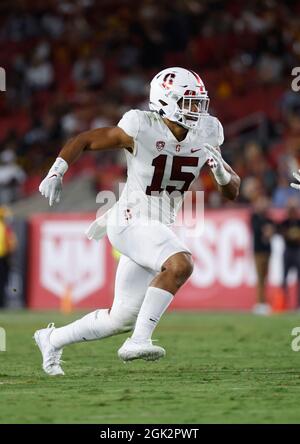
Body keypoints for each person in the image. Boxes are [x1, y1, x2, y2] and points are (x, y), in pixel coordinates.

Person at [35, 67, 241, 376]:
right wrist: (56, 170)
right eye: (189, 102)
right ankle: (139, 341)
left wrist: (223, 175)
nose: (197, 110)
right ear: (166, 102)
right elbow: (86, 139)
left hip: (157, 225)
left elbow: (232, 192)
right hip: (130, 219)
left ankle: (52, 338)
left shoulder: (208, 131)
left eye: (199, 102)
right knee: (180, 264)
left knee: (120, 318)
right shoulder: (141, 125)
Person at [250, 197, 275, 315]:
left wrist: (269, 231)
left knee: (264, 278)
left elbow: (273, 230)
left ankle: (263, 302)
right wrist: (266, 230)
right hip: (258, 252)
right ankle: (260, 303)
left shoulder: (268, 219)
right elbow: (257, 230)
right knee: (260, 278)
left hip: (267, 251)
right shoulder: (255, 218)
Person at [279, 199, 300, 308]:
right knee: (284, 277)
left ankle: (298, 304)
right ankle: (284, 302)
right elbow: (282, 234)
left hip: (297, 250)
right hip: (288, 250)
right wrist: (290, 236)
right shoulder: (285, 222)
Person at [0, 207, 17, 308]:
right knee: (3, 281)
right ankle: (1, 303)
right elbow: (11, 244)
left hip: (3, 258)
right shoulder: (5, 228)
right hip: (3, 258)